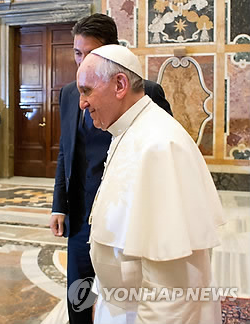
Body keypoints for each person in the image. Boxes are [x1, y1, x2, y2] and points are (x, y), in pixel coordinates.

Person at [80, 44, 224, 323]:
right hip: (123, 306)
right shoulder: (129, 130)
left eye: (87, 90)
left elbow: (173, 290)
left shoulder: (159, 145)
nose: (82, 103)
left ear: (120, 84)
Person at [49, 13, 173, 324]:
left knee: (120, 298)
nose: (82, 63)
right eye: (78, 53)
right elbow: (66, 152)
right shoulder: (68, 94)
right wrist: (58, 205)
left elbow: (162, 150)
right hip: (80, 215)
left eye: (90, 54)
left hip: (124, 215)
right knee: (78, 296)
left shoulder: (146, 92)